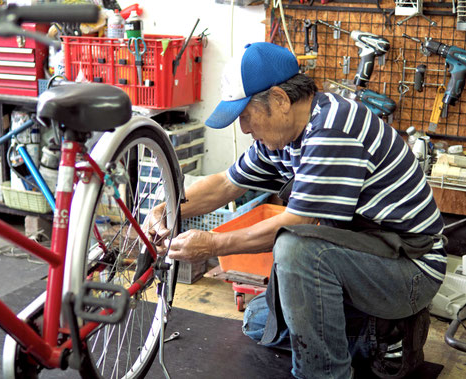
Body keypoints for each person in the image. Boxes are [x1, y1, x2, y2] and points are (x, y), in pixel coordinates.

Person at [147, 42, 446, 379]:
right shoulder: (283, 138)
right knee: (261, 322)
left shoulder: (333, 129)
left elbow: (296, 223)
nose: (244, 129)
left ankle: (330, 370)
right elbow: (225, 184)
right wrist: (166, 208)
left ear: (279, 99)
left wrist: (213, 245)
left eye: (246, 116)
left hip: (410, 268)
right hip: (366, 255)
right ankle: (375, 335)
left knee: (295, 248)